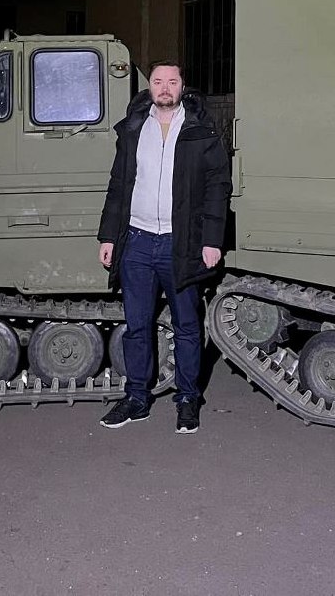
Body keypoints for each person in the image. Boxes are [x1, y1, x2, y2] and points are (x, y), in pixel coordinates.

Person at [97, 60, 231, 433]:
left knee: (187, 326)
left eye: (172, 81)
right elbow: (118, 185)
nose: (165, 87)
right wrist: (109, 236)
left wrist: (211, 240)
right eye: (158, 81)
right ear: (150, 87)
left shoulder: (200, 131)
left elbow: (218, 187)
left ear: (182, 87)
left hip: (181, 243)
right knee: (137, 326)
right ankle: (136, 398)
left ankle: (187, 399)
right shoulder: (133, 129)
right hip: (137, 242)